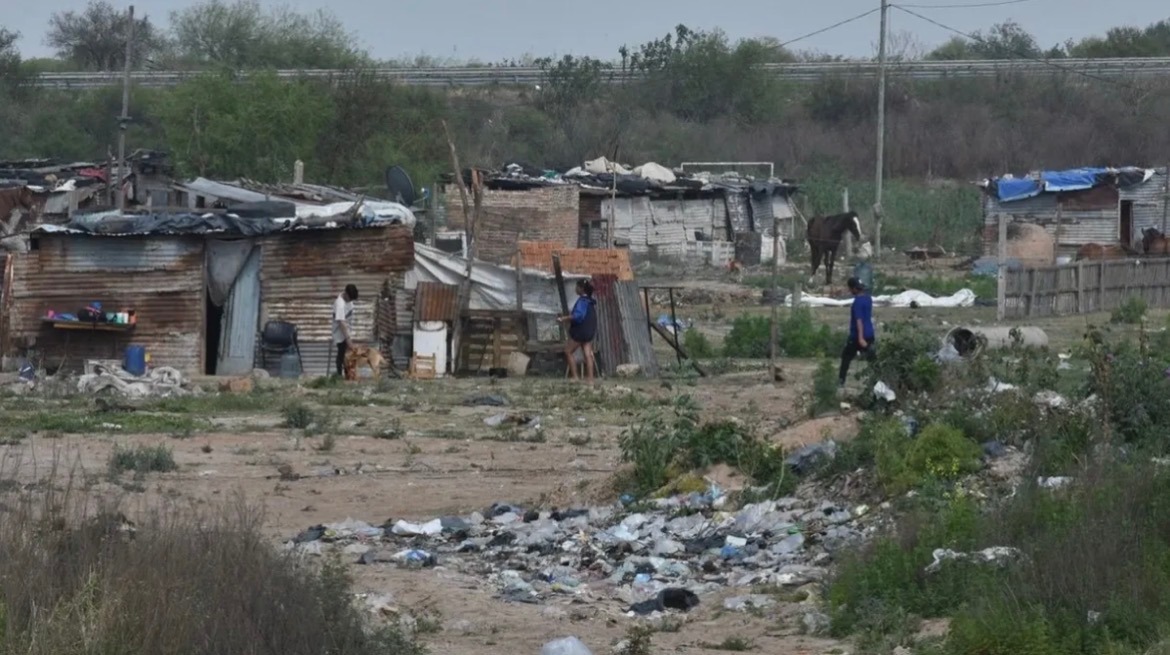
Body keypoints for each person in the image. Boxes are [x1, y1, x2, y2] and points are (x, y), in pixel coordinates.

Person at [839, 276, 875, 388]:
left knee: (846, 358)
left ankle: (841, 381)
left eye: (850, 288)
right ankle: (879, 380)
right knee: (873, 360)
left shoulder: (857, 303)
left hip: (858, 336)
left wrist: (860, 338)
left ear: (854, 288)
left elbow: (859, 321)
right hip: (870, 333)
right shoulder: (868, 299)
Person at [558, 279, 597, 383]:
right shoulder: (590, 302)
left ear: (581, 289)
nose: (575, 288)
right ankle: (591, 379)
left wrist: (564, 318)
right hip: (589, 331)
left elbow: (578, 316)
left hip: (580, 331)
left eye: (577, 287)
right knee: (588, 354)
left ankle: (575, 377)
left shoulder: (582, 301)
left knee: (568, 351)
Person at [333, 284, 359, 377]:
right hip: (340, 333)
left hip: (347, 331)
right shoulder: (339, 304)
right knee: (341, 353)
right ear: (346, 294)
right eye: (350, 299)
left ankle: (349, 375)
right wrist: (348, 339)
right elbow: (341, 323)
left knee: (348, 355)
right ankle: (339, 376)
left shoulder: (348, 300)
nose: (351, 301)